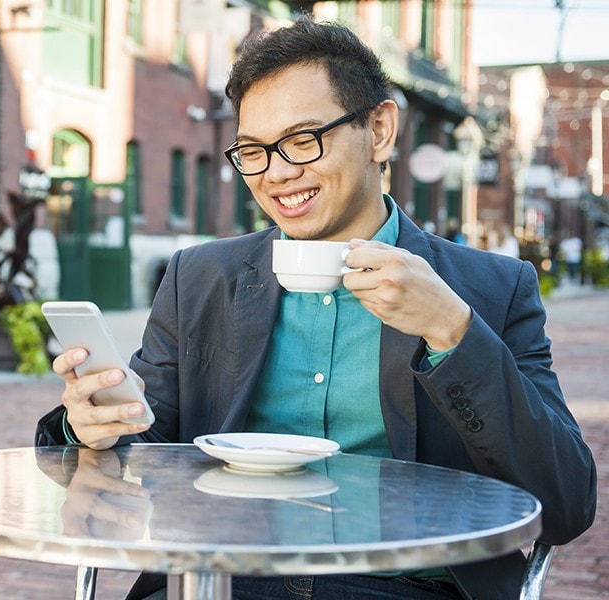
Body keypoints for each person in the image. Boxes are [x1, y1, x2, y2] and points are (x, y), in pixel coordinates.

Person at [35, 16, 596, 600]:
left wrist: (452, 332)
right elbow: (143, 453)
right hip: (222, 578)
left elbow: (563, 505)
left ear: (379, 129)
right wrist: (92, 427)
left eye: (304, 139)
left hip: (405, 587)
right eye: (253, 150)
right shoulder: (200, 277)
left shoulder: (490, 289)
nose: (277, 173)